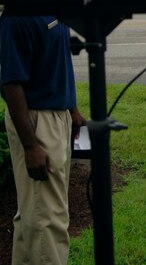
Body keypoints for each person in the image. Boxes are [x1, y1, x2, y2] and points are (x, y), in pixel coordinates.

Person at [0, 15, 86, 265]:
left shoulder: (52, 7)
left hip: (58, 116)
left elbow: (57, 61)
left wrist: (72, 109)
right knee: (47, 219)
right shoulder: (17, 19)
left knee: (32, 214)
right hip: (37, 121)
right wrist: (30, 145)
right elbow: (11, 85)